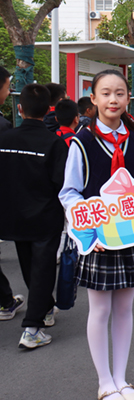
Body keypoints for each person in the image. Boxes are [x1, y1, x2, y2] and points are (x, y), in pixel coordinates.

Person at [59, 70, 134, 400]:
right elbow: (69, 192)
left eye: (120, 93)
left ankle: (122, 377)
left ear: (128, 98)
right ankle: (104, 383)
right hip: (96, 237)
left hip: (130, 234)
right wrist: (85, 231)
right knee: (99, 309)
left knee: (126, 308)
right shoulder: (81, 142)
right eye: (106, 93)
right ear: (93, 99)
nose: (114, 100)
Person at [0, 84, 68, 348]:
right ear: (49, 109)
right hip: (44, 217)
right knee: (43, 268)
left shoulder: (4, 139)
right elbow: (61, 183)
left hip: (13, 216)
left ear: (20, 108)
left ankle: (45, 309)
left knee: (30, 264)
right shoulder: (54, 143)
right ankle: (32, 328)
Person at [0, 66, 26, 322]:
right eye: (7, 87)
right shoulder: (3, 126)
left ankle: (5, 300)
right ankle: (5, 301)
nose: (8, 93)